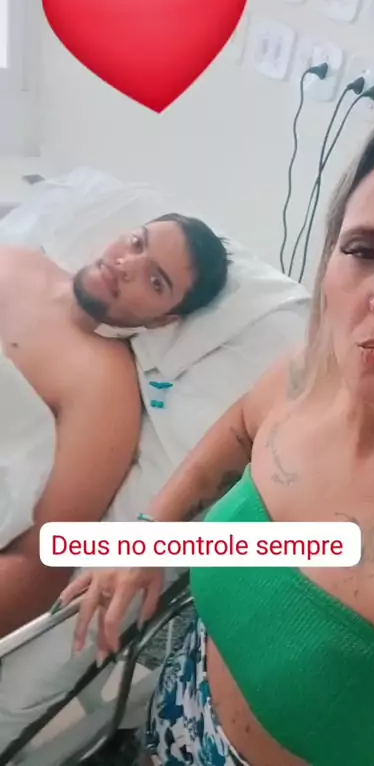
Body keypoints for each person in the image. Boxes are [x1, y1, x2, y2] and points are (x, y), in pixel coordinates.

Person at [59, 98, 374, 766]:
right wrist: (149, 534)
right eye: (366, 249)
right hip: (179, 707)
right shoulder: (305, 377)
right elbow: (235, 432)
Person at [0, 212, 229, 636]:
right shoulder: (15, 261)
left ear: (163, 320)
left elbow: (39, 568)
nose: (127, 264)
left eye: (155, 281)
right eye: (137, 242)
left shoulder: (104, 387)